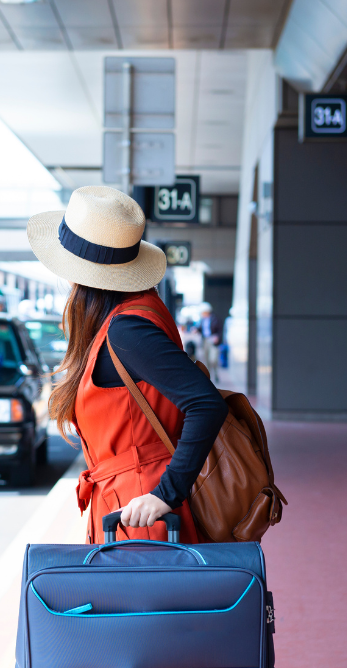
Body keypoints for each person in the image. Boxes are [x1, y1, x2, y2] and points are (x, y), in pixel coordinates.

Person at [27, 186, 229, 543]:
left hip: (139, 514)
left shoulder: (126, 330)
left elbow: (206, 403)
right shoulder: (135, 315)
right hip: (132, 505)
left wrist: (166, 493)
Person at [199, 303, 223, 382]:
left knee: (213, 359)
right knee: (206, 359)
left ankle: (216, 374)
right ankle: (208, 376)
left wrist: (218, 337)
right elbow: (201, 329)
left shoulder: (215, 319)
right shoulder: (202, 320)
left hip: (213, 341)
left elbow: (220, 331)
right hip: (205, 341)